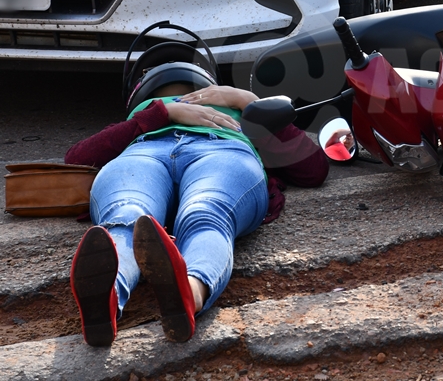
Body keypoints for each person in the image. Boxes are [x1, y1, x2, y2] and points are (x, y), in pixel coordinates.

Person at [65, 30, 327, 347]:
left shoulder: (236, 107)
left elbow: (313, 169)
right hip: (149, 152)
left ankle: (176, 294)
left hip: (217, 152)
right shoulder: (145, 115)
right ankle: (125, 298)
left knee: (184, 212)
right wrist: (162, 113)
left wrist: (247, 102)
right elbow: (77, 159)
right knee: (142, 213)